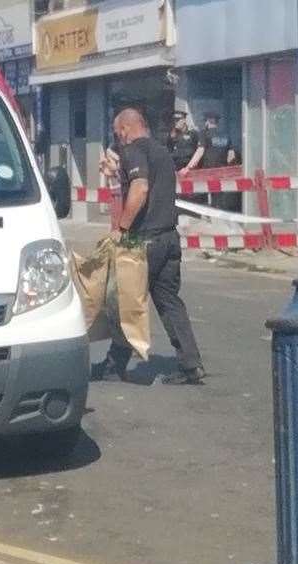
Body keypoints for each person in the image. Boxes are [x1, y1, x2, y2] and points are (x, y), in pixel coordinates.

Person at [95, 108, 206, 385]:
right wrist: (115, 173)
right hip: (169, 238)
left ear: (124, 129)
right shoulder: (162, 152)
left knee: (125, 301)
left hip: (146, 240)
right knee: (169, 301)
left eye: (117, 133)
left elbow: (141, 188)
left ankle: (113, 365)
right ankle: (190, 364)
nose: (117, 139)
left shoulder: (134, 150)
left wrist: (122, 228)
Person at [166, 110, 203, 177]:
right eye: (174, 120)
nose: (175, 122)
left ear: (184, 120)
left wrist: (188, 168)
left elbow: (199, 150)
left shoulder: (193, 133)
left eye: (178, 120)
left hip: (190, 169)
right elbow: (169, 151)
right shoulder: (172, 135)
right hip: (176, 170)